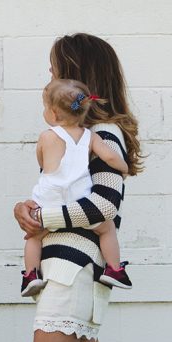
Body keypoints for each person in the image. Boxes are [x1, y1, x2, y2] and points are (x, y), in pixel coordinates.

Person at [13, 33, 145, 342]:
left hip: (71, 271)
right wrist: (26, 210)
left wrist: (43, 218)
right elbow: (59, 195)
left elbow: (104, 208)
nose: (49, 73)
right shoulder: (75, 137)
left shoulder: (102, 135)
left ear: (75, 76)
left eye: (55, 67)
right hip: (72, 269)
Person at [20, 78, 132, 298]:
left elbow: (42, 163)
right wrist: (124, 167)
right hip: (78, 202)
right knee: (106, 228)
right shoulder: (91, 136)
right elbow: (109, 156)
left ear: (53, 113)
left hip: (49, 202)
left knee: (34, 237)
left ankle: (31, 275)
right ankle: (114, 269)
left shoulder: (46, 136)